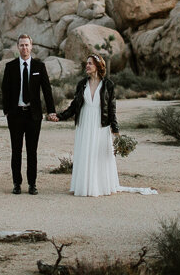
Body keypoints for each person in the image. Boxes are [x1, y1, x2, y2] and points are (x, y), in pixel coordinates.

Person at [50, 54, 157, 197]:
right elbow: (74, 106)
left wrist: (115, 129)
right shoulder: (82, 84)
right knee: (86, 153)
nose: (87, 66)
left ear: (98, 66)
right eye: (86, 63)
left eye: (90, 63)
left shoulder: (108, 85)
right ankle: (84, 186)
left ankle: (99, 186)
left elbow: (112, 109)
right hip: (85, 124)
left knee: (100, 155)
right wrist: (60, 116)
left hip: (101, 125)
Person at [1, 34, 56, 195]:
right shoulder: (10, 67)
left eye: (27, 45)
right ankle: (17, 184)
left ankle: (32, 184)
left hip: (34, 116)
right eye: (21, 45)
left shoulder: (39, 66)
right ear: (17, 47)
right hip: (16, 115)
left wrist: (51, 110)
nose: (24, 48)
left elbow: (47, 90)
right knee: (16, 150)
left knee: (32, 151)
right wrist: (7, 111)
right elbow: (5, 90)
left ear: (31, 47)